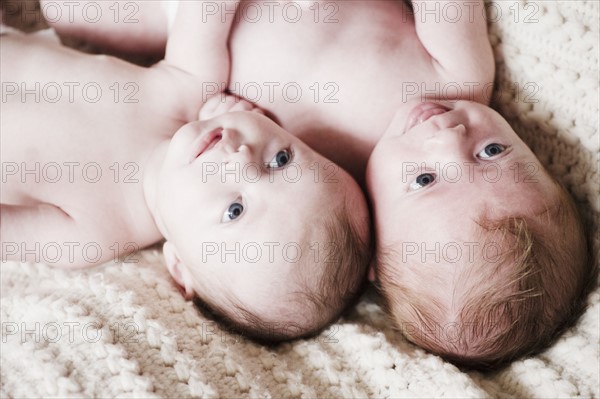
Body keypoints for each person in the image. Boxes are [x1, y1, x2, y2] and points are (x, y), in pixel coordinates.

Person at [38, 0, 591, 367]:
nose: (447, 136)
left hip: (194, 16)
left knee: (71, 8)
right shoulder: (462, 82)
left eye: (424, 179)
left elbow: (216, 151)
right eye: (493, 151)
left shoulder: (315, 189)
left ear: (381, 243)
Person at [0, 4, 372, 341]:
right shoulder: (189, 86)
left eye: (235, 210)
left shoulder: (96, 233)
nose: (241, 159)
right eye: (280, 161)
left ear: (179, 265)